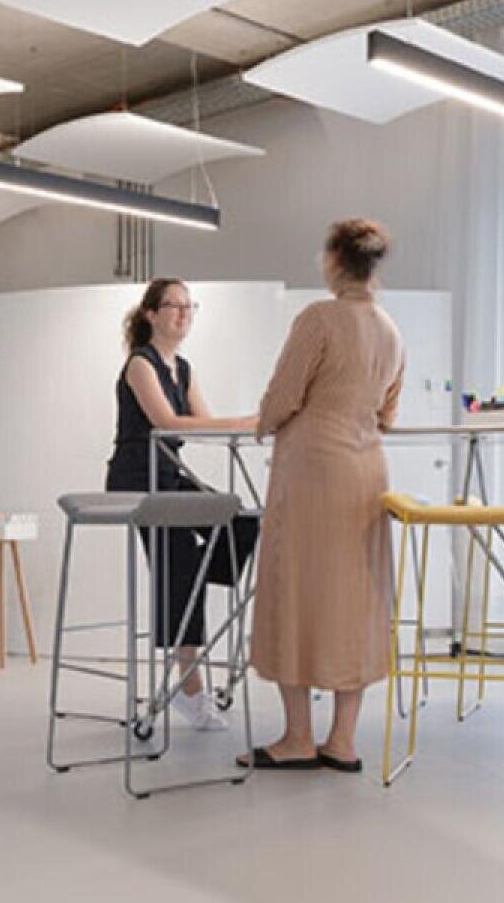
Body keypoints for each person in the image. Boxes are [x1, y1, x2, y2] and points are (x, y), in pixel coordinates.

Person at [243, 220, 405, 771]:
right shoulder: (389, 329)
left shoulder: (318, 319)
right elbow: (387, 412)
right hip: (365, 475)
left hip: (312, 469)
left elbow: (286, 393)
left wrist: (265, 421)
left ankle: (296, 738)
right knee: (355, 601)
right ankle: (342, 740)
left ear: (335, 261)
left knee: (296, 593)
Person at [104, 278, 259, 731]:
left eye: (190, 307)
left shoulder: (183, 368)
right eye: (174, 306)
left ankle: (190, 579)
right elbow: (168, 422)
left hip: (171, 474)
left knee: (242, 522)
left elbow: (204, 425)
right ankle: (189, 691)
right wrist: (250, 420)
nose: (184, 314)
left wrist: (255, 422)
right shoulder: (140, 364)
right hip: (138, 479)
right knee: (180, 562)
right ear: (151, 314)